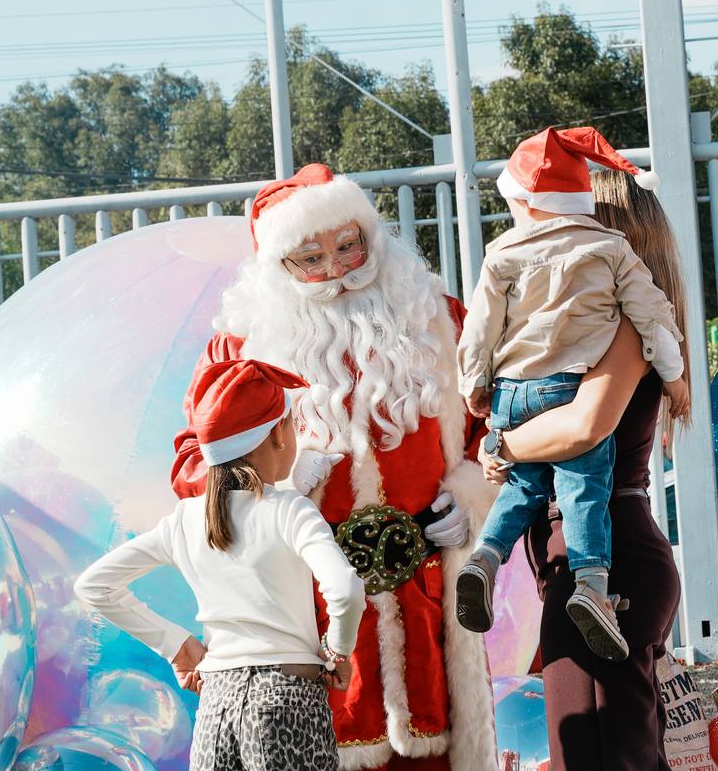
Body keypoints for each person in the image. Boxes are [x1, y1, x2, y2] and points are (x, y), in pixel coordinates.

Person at [172, 164, 498, 771]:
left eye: (349, 246)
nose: (339, 270)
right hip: (312, 609)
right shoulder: (240, 350)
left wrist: (474, 492)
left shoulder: (440, 317)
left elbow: (495, 429)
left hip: (427, 595)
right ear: (280, 269)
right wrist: (273, 487)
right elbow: (194, 465)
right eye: (311, 259)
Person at [479, 169, 689, 771]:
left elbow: (584, 427)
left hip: (604, 561)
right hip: (583, 562)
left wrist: (503, 445)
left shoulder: (624, 327)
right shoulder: (587, 330)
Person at [455, 127, 689, 662]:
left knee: (522, 485)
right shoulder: (610, 250)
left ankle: (485, 556)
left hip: (513, 393)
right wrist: (675, 374)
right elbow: (655, 316)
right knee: (583, 486)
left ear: (524, 203)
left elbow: (478, 331)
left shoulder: (500, 253)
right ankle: (592, 584)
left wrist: (478, 393)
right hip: (566, 383)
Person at [76, 359, 366, 771]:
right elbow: (346, 589)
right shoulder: (290, 510)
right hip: (288, 704)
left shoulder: (184, 520)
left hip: (215, 706)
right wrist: (338, 651)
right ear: (277, 437)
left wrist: (176, 645)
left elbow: (93, 586)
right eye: (291, 425)